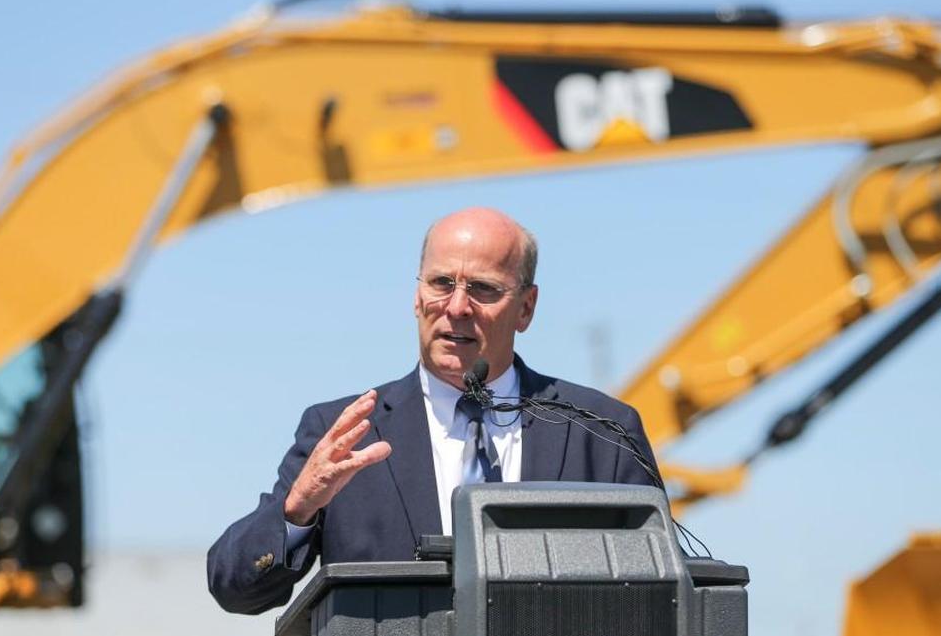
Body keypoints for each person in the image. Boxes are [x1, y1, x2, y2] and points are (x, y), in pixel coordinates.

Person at [207, 207, 660, 614]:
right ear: (417, 296)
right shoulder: (343, 432)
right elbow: (234, 588)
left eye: (483, 289)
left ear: (526, 308)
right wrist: (297, 509)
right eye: (442, 283)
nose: (457, 307)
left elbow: (658, 598)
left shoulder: (603, 433)